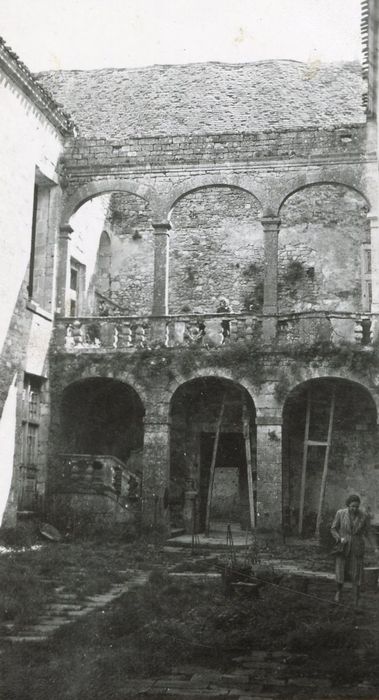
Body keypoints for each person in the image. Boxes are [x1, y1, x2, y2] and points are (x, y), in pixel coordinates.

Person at [331, 494, 379, 608]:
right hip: (343, 546)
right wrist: (339, 538)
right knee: (340, 570)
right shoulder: (340, 513)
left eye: (357, 506)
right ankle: (338, 591)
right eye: (352, 506)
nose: (354, 509)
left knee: (357, 574)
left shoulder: (363, 516)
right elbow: (333, 528)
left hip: (357, 548)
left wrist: (375, 547)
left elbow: (368, 533)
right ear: (348, 505)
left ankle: (356, 601)